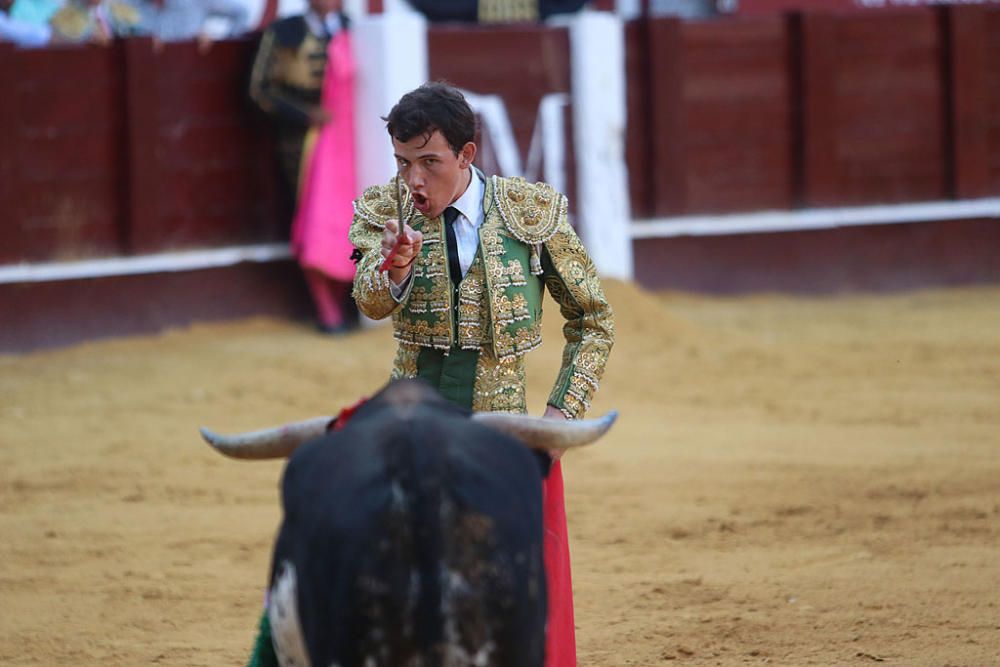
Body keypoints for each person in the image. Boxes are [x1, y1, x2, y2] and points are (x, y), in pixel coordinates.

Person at [348, 81, 615, 666]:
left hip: (501, 441)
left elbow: (593, 321)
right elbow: (369, 301)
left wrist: (558, 419)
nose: (413, 180)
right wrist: (393, 271)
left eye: (428, 162)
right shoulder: (384, 214)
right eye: (402, 163)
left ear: (467, 155)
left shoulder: (528, 213)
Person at [249, 0, 357, 335]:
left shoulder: (353, 27)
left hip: (351, 140)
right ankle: (327, 309)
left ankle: (343, 303)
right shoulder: (284, 31)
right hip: (301, 143)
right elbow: (259, 89)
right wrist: (305, 115)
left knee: (350, 218)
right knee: (316, 220)